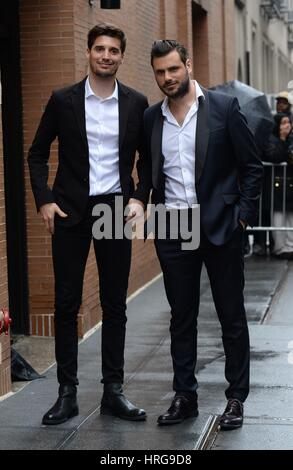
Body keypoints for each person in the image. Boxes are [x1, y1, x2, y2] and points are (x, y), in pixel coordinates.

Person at [131, 40, 263, 429]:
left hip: (222, 225)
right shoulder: (152, 118)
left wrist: (241, 216)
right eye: (160, 72)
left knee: (231, 316)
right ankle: (185, 396)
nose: (167, 78)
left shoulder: (223, 107)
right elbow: (147, 167)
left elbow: (252, 166)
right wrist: (140, 200)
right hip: (173, 227)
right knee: (181, 317)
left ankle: (236, 398)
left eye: (173, 69)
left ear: (187, 65)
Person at [28, 23, 148, 425]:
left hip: (114, 209)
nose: (106, 56)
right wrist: (44, 200)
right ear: (88, 52)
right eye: (100, 49)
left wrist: (138, 198)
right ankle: (67, 392)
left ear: (121, 56)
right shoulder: (63, 100)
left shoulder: (135, 102)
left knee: (115, 303)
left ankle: (113, 390)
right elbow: (37, 154)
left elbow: (147, 161)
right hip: (70, 211)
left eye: (114, 50)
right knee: (66, 303)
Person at [263, 113, 293, 259]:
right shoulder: (271, 140)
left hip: (289, 185)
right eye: (283, 123)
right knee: (278, 216)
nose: (287, 126)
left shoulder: (291, 140)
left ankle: (290, 245)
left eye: (288, 122)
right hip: (276, 186)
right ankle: (280, 247)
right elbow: (274, 157)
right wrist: (281, 139)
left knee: (290, 216)